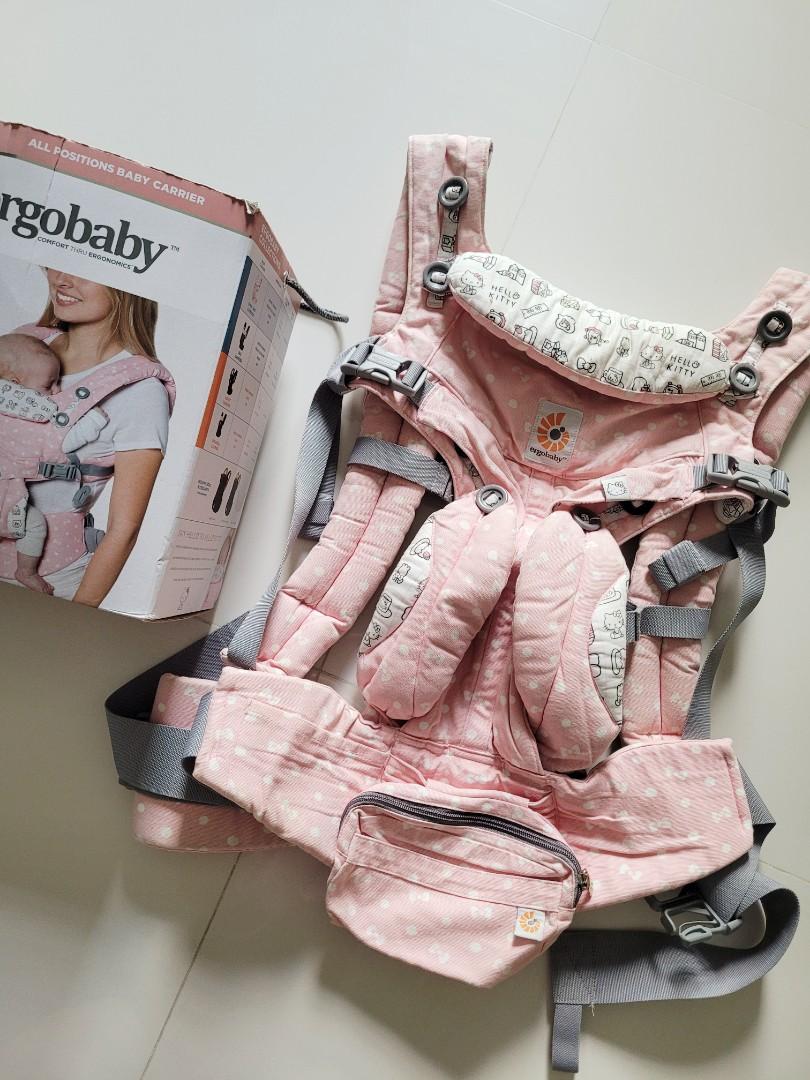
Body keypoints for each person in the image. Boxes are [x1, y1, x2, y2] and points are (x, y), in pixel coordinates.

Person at [3, 268, 172, 604]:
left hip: (52, 576)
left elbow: (125, 529)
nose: (61, 279)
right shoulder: (23, 344)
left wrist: (76, 618)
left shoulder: (140, 390)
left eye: (86, 271)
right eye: (57, 263)